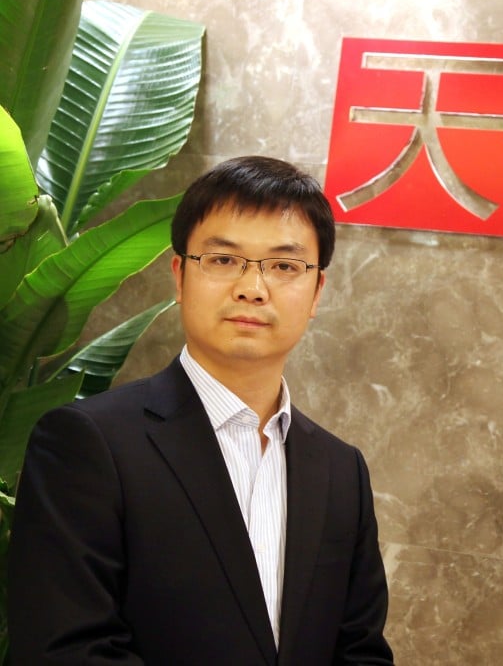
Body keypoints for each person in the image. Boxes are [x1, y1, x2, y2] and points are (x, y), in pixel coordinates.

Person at [8, 156, 394, 665]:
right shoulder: (88, 443)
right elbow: (64, 650)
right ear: (180, 276)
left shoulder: (341, 471)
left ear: (317, 289)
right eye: (223, 259)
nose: (252, 288)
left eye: (284, 266)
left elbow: (360, 650)